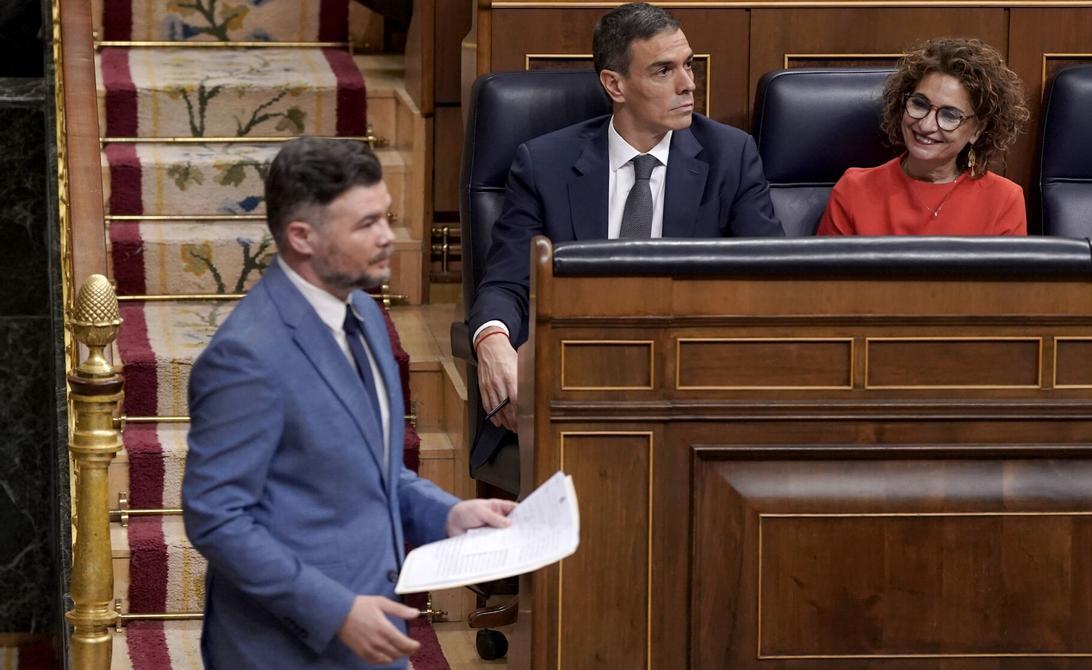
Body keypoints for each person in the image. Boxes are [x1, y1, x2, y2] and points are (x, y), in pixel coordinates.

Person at [182, 137, 517, 669]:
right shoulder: (246, 357)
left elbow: (366, 465)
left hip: (370, 635)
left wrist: (448, 512)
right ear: (302, 237)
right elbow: (217, 520)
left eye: (387, 217)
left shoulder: (362, 311)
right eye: (366, 225)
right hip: (288, 649)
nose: (389, 238)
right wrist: (335, 610)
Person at [469, 2, 783, 472]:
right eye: (664, 70)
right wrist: (492, 342)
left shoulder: (730, 156)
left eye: (688, 66)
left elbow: (770, 279)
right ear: (615, 85)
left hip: (690, 374)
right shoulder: (545, 164)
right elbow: (507, 283)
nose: (688, 84)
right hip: (582, 371)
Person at [817, 38, 1030, 236]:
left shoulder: (1004, 200)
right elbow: (823, 277)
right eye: (919, 104)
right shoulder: (854, 191)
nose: (926, 125)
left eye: (949, 115)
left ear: (977, 130)